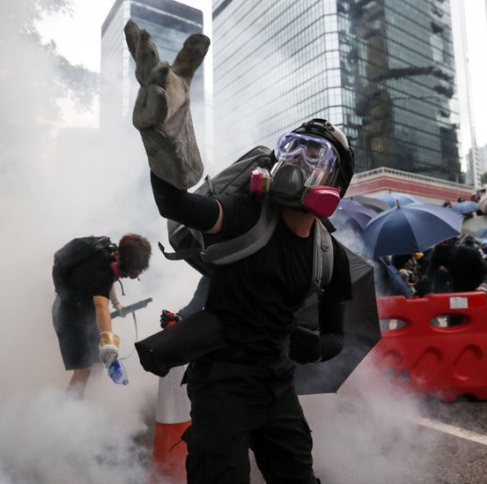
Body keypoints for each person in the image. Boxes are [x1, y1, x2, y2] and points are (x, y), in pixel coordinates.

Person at [126, 23, 354, 481]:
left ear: (335, 184)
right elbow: (177, 204)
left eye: (315, 158)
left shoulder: (331, 256)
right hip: (222, 383)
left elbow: (335, 336)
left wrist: (313, 346)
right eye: (293, 150)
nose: (297, 164)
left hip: (277, 383)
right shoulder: (247, 214)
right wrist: (164, 139)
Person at [51, 234, 152, 399]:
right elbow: (101, 306)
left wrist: (117, 303)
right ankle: (68, 412)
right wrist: (109, 346)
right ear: (119, 256)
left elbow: (109, 279)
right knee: (83, 370)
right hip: (68, 317)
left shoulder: (108, 253)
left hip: (85, 313)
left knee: (97, 365)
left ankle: (86, 403)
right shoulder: (100, 270)